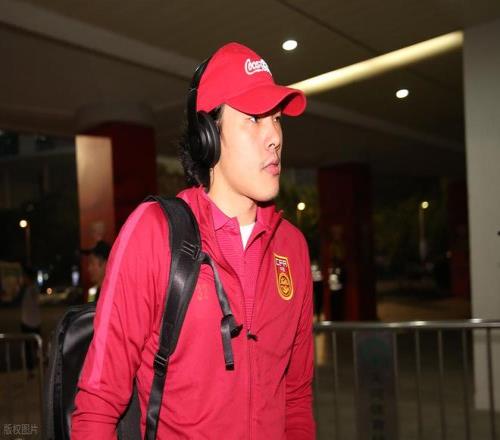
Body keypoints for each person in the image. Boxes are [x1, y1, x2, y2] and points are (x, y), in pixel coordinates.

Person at [72, 42, 315, 439]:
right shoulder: (154, 233)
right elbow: (97, 406)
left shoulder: (293, 248)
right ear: (208, 135)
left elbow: (297, 398)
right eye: (254, 118)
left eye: (276, 119)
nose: (274, 135)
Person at [20, 265, 41, 374]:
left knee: (30, 348)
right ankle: (33, 368)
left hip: (29, 323)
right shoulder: (28, 289)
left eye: (24, 276)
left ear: (28, 277)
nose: (23, 278)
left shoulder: (32, 288)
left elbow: (35, 298)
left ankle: (33, 369)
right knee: (33, 347)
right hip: (32, 322)